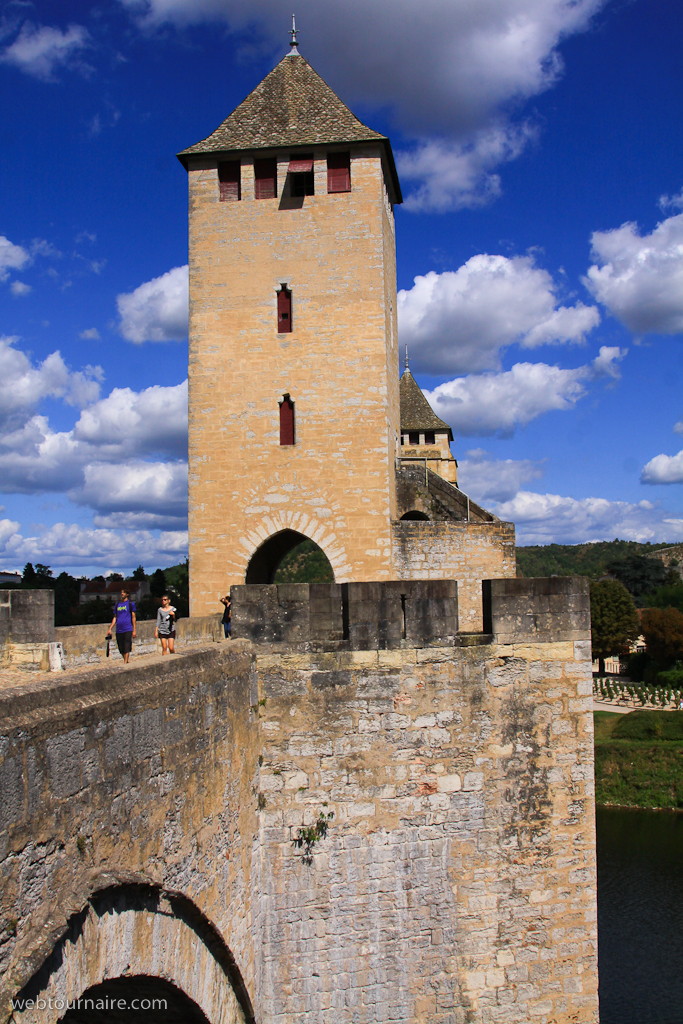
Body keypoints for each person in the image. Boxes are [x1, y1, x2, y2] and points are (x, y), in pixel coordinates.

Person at [107, 587, 136, 665]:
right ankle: (126, 661)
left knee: (127, 646)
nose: (122, 594)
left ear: (127, 594)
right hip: (119, 629)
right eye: (121, 592)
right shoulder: (117, 604)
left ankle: (125, 662)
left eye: (123, 592)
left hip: (127, 628)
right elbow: (115, 617)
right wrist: (110, 628)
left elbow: (133, 617)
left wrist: (134, 630)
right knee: (121, 648)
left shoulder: (130, 604)